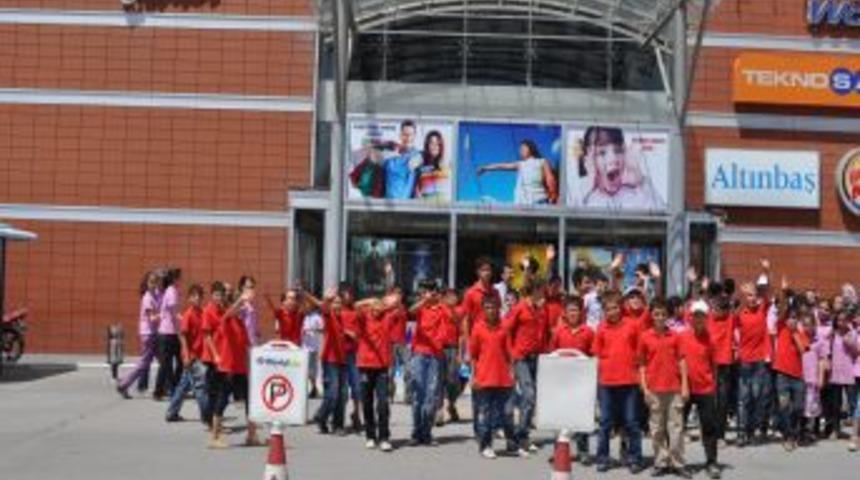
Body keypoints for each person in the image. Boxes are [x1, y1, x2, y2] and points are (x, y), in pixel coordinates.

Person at [593, 291, 645, 474]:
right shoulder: (601, 328)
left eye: (615, 308)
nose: (612, 312)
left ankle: (635, 458)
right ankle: (602, 458)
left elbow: (639, 353)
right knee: (606, 423)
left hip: (629, 381)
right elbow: (597, 355)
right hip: (606, 382)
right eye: (608, 309)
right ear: (604, 311)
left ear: (621, 308)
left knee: (631, 422)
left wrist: (640, 376)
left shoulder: (632, 326)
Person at [639, 298, 689, 478]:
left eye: (663, 314)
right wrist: (644, 389)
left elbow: (682, 361)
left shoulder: (675, 336)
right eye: (656, 314)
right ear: (651, 315)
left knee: (676, 428)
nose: (660, 318)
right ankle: (660, 461)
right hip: (654, 389)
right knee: (657, 429)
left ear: (668, 316)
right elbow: (642, 365)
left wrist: (684, 386)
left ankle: (678, 462)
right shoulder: (645, 336)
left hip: (674, 388)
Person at [470, 295, 520, 459]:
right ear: (483, 310)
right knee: (486, 414)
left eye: (493, 307)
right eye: (488, 307)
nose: (491, 310)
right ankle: (486, 445)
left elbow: (509, 353)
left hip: (503, 378)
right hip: (484, 378)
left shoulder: (504, 328)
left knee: (507, 412)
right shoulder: (477, 328)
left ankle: (512, 443)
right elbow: (473, 355)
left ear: (498, 309)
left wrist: (512, 373)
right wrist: (474, 376)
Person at [209, 285, 259, 449]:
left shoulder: (240, 323)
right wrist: (240, 300)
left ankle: (252, 436)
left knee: (250, 402)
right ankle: (215, 437)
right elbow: (229, 311)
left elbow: (247, 347)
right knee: (222, 401)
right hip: (227, 368)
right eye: (240, 306)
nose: (243, 308)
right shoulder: (227, 319)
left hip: (241, 369)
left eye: (243, 306)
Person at [548, 296, 595, 465]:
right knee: (560, 417)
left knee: (581, 417)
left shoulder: (589, 332)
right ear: (565, 314)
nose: (573, 313)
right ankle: (559, 450)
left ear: (581, 312)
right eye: (570, 311)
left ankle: (583, 451)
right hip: (561, 381)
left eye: (576, 310)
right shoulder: (558, 332)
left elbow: (593, 356)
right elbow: (551, 355)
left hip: (582, 382)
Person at [575, 126, 665, 211]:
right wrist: (588, 185)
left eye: (618, 151)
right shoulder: (583, 193)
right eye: (602, 153)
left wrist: (640, 183)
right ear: (589, 160)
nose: (613, 159)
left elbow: (662, 218)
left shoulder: (638, 191)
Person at [504, 280, 547, 453]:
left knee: (531, 397)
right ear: (534, 290)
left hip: (535, 357)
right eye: (541, 290)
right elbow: (506, 330)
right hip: (520, 357)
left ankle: (522, 435)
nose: (543, 294)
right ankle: (519, 435)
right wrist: (511, 355)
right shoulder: (520, 308)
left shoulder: (539, 309)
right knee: (528, 394)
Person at [680, 300, 722, 480]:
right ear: (691, 317)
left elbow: (714, 366)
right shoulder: (682, 336)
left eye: (702, 316)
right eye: (696, 315)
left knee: (709, 427)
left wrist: (713, 387)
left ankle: (711, 462)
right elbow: (679, 361)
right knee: (677, 426)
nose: (698, 319)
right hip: (686, 388)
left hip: (705, 389)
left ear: (706, 318)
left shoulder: (711, 339)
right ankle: (677, 462)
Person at [735, 260, 772, 447]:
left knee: (756, 397)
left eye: (753, 295)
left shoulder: (762, 310)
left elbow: (766, 291)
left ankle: (750, 430)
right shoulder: (740, 313)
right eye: (748, 295)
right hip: (744, 361)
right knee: (743, 398)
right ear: (744, 297)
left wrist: (765, 270)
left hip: (758, 361)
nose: (751, 298)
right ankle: (742, 433)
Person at [354, 295, 397, 452]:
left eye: (380, 305)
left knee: (383, 402)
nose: (378, 308)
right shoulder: (364, 317)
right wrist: (369, 301)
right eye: (375, 306)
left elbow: (397, 303)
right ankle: (370, 436)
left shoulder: (387, 317)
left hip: (382, 367)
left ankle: (384, 437)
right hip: (365, 365)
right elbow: (356, 305)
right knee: (367, 402)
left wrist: (386, 303)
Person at [772, 280, 809, 452]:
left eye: (794, 318)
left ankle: (793, 431)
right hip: (782, 374)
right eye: (790, 317)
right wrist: (785, 292)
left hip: (797, 376)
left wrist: (795, 332)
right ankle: (788, 436)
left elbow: (803, 350)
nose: (791, 320)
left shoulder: (800, 332)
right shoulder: (780, 326)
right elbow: (782, 309)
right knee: (784, 405)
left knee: (799, 407)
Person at [165, 284, 210, 425]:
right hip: (191, 357)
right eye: (194, 296)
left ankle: (171, 412)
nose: (197, 298)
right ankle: (206, 417)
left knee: (183, 385)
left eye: (199, 296)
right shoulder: (188, 315)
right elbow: (183, 336)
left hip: (200, 356)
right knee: (201, 388)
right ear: (189, 298)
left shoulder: (202, 313)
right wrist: (185, 355)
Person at [409, 281, 447, 446]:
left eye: (433, 291)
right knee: (418, 394)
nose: (431, 294)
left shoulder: (442, 309)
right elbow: (411, 310)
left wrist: (440, 302)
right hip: (419, 354)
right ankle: (416, 432)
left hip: (435, 356)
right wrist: (424, 300)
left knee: (431, 396)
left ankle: (427, 432)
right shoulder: (421, 307)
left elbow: (450, 321)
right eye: (428, 291)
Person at [117, 271, 162, 399]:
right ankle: (124, 384)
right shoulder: (147, 298)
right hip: (148, 334)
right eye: (151, 282)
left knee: (164, 362)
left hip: (153, 333)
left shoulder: (155, 295)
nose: (153, 285)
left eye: (155, 282)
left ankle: (170, 388)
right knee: (144, 363)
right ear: (147, 283)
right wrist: (164, 315)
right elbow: (152, 318)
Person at [476, 139, 559, 205]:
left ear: (531, 148)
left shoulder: (542, 161)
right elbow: (502, 166)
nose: (521, 151)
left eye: (523, 148)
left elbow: (550, 178)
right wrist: (485, 168)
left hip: (539, 201)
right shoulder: (520, 164)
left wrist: (553, 193)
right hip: (522, 205)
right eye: (520, 149)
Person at [314, 288, 348, 435]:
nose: (338, 305)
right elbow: (324, 307)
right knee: (332, 393)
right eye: (335, 302)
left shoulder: (342, 318)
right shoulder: (329, 316)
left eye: (340, 302)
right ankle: (321, 416)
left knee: (342, 395)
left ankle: (337, 425)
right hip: (329, 360)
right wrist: (327, 299)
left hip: (342, 360)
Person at [823, 311, 857, 441]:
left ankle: (855, 432)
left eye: (844, 320)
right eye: (839, 320)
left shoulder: (851, 333)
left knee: (852, 404)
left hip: (849, 373)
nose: (841, 323)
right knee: (835, 405)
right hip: (835, 373)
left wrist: (847, 337)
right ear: (836, 322)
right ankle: (836, 430)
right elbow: (826, 349)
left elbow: (855, 350)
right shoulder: (832, 334)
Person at [707, 293, 736, 442]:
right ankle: (709, 431)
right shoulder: (709, 319)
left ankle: (720, 434)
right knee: (709, 399)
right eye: (713, 308)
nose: (714, 311)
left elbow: (735, 308)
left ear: (725, 310)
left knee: (723, 400)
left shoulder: (730, 319)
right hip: (709, 364)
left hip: (724, 364)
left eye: (717, 309)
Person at [339, 283, 364, 432]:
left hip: (355, 354)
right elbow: (331, 326)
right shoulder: (337, 310)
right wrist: (347, 332)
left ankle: (357, 416)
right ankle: (339, 419)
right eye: (345, 293)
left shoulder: (356, 311)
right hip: (340, 354)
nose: (348, 296)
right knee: (342, 390)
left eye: (350, 293)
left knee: (357, 388)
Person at [155, 268, 183, 400]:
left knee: (173, 362)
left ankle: (169, 388)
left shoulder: (172, 291)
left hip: (169, 332)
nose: (181, 280)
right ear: (174, 279)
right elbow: (173, 313)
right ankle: (163, 390)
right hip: (168, 333)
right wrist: (180, 327)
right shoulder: (171, 291)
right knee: (167, 364)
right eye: (179, 278)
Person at [801, 309, 827, 446]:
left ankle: (812, 431)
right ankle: (803, 431)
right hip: (801, 377)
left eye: (809, 325)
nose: (807, 328)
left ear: (814, 325)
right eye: (804, 325)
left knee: (813, 406)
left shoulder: (819, 340)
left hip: (813, 378)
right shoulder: (799, 338)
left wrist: (821, 377)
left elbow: (822, 360)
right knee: (802, 405)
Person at [414, 130, 449, 200]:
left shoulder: (446, 163)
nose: (435, 146)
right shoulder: (421, 164)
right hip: (425, 205)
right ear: (427, 145)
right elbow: (416, 189)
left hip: (443, 205)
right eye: (432, 143)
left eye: (437, 143)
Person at [236, 275, 261, 347]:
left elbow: (254, 322)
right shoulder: (239, 302)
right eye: (248, 287)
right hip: (242, 342)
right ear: (242, 288)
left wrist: (257, 332)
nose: (251, 290)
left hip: (253, 341)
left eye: (252, 287)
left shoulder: (253, 303)